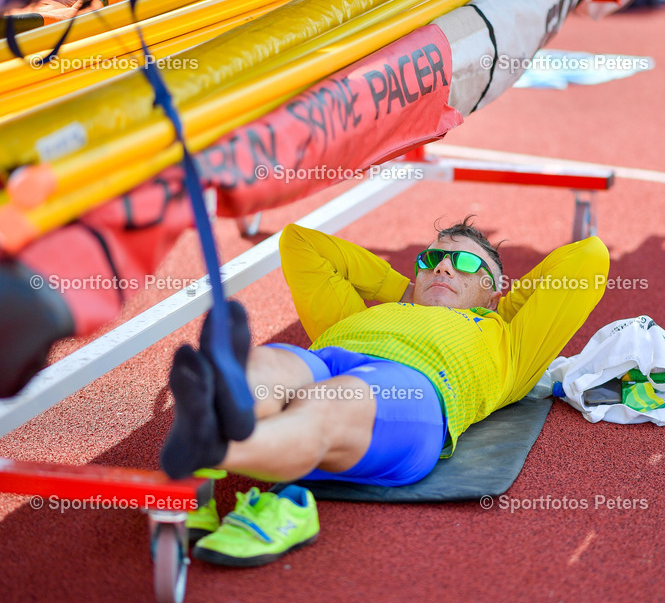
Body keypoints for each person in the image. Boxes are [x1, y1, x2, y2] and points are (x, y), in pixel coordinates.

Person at [161, 217, 609, 565]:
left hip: (413, 388)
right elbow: (301, 242)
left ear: (492, 291)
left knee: (329, 400)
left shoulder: (509, 341)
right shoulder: (362, 314)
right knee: (271, 364)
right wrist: (405, 291)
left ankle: (209, 450)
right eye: (432, 260)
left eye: (467, 264)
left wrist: (502, 307)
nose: (444, 266)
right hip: (330, 356)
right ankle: (222, 407)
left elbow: (588, 257)